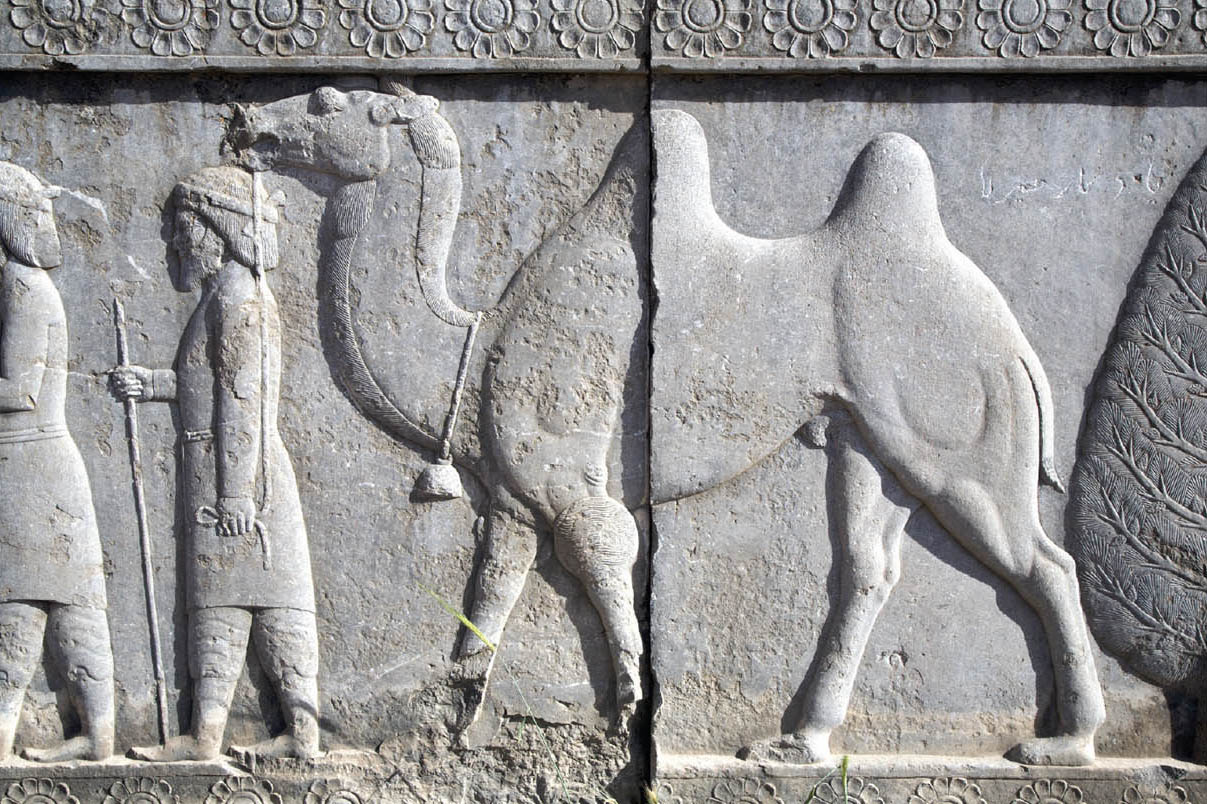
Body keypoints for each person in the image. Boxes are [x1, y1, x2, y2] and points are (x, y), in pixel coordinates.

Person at [111, 165, 320, 761]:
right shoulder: (221, 298)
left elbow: (242, 399)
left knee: (271, 601)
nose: (177, 244)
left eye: (184, 229)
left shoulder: (240, 300)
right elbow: (203, 382)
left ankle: (302, 733)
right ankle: (205, 737)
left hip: (242, 475)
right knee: (215, 600)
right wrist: (151, 383)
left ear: (216, 229)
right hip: (217, 467)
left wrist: (235, 494)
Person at [0, 160, 114, 763]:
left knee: (29, 603)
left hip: (32, 465)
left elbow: (18, 389)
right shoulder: (20, 284)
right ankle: (94, 735)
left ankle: (94, 737)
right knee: (51, 604)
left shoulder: (22, 287)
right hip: (32, 463)